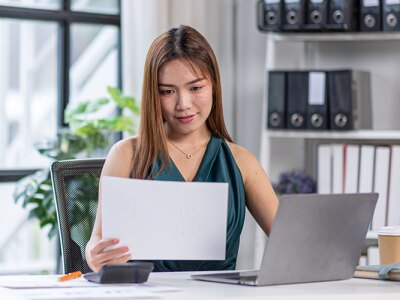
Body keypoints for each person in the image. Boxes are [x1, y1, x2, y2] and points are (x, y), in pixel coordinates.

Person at [85, 25, 279, 272]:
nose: (183, 104)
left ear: (214, 86)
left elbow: (291, 243)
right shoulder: (126, 155)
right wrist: (96, 256)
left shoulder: (241, 161)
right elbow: (96, 242)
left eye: (196, 88)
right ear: (153, 95)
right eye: (167, 91)